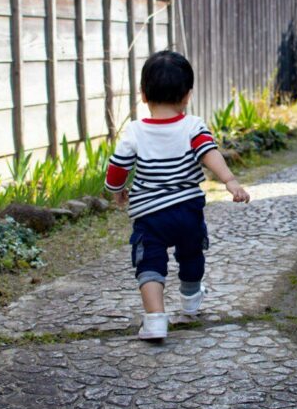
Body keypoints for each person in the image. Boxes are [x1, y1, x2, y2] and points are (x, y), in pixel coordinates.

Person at [105, 50, 250, 340]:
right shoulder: (192, 126)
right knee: (192, 253)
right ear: (187, 95)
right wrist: (229, 180)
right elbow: (208, 152)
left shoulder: (134, 131)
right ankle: (191, 300)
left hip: (149, 216)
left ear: (143, 94)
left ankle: (156, 318)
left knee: (149, 262)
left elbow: (118, 167)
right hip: (187, 211)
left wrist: (116, 190)